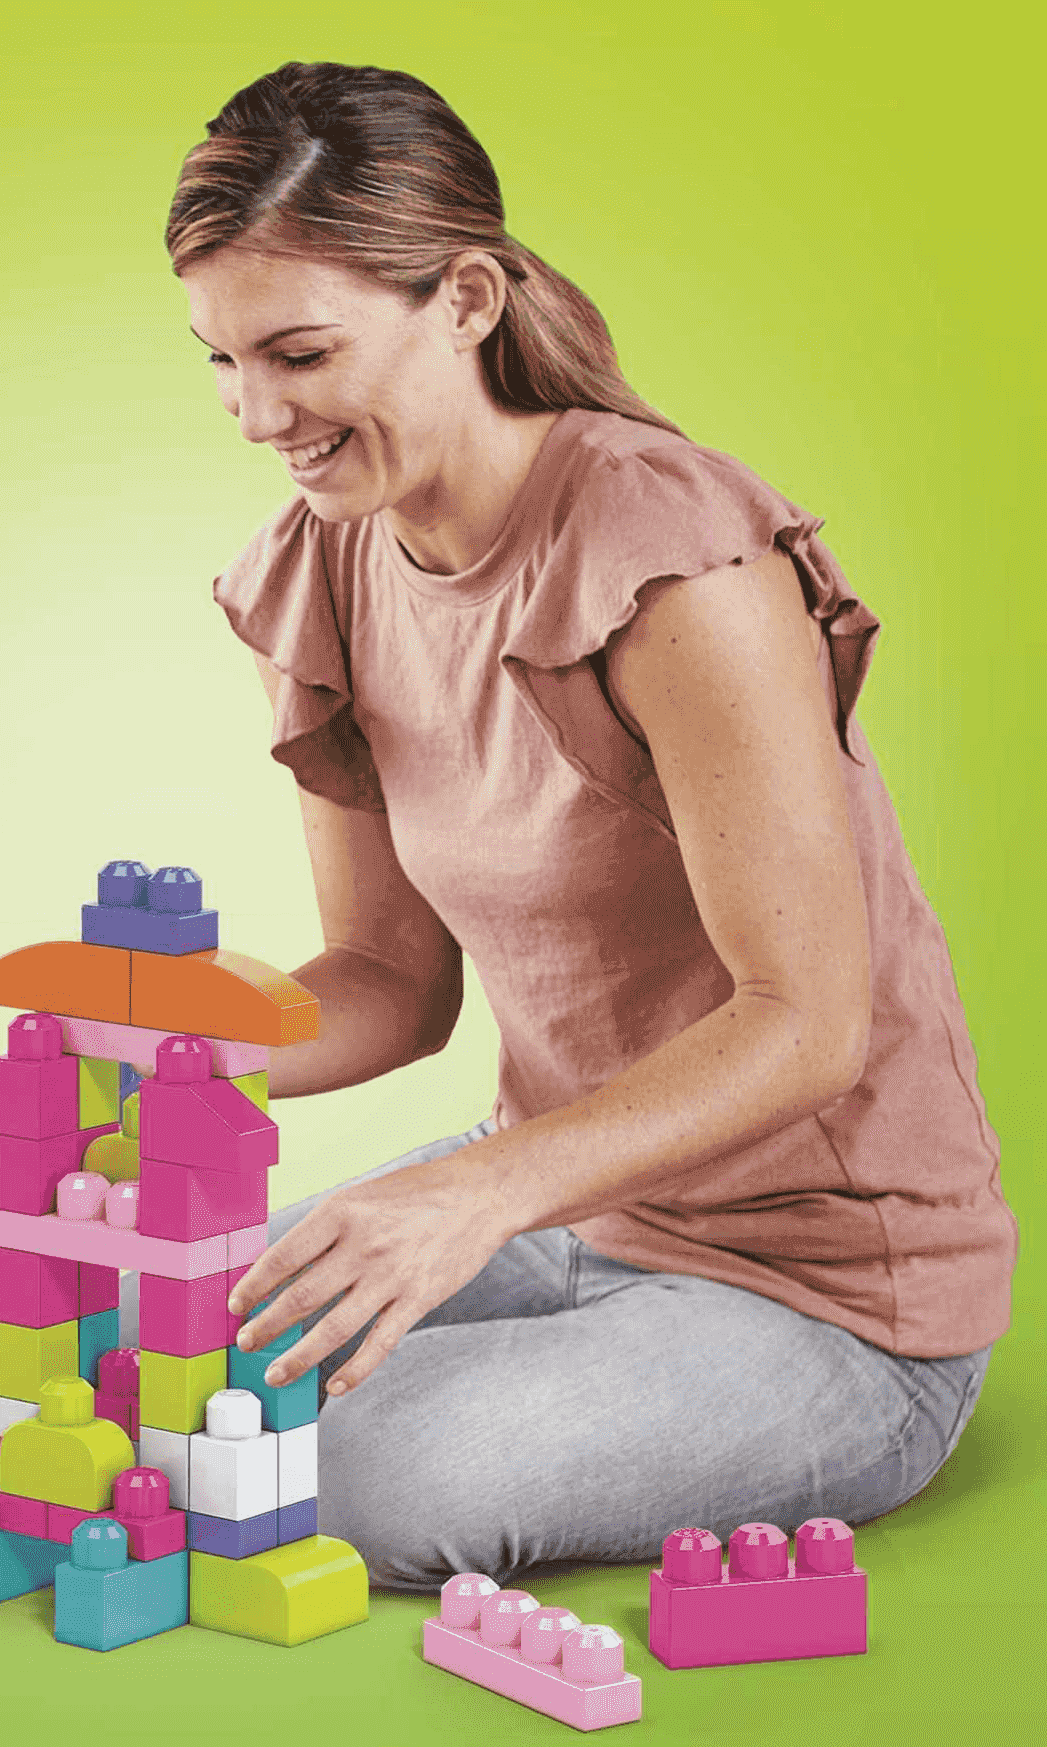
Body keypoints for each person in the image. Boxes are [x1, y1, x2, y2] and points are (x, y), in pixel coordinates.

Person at [167, 63, 1016, 1592]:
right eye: (221, 360)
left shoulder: (666, 556)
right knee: (142, 1355)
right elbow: (385, 977)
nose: (255, 415)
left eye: (298, 354)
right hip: (571, 1201)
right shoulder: (325, 563)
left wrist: (475, 1191)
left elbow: (806, 1020)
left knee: (350, 1467)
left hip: (824, 1292)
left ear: (465, 299)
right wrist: (161, 1051)